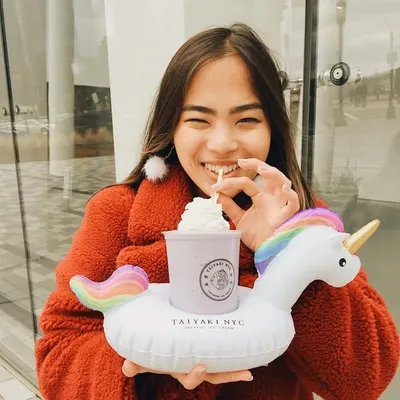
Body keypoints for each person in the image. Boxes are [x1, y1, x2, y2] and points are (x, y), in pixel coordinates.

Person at [35, 23, 399, 400]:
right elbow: (58, 356)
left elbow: (366, 378)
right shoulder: (116, 212)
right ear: (171, 127)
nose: (223, 144)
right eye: (198, 119)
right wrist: (145, 362)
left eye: (247, 119)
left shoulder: (305, 221)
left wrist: (283, 254)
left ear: (272, 127)